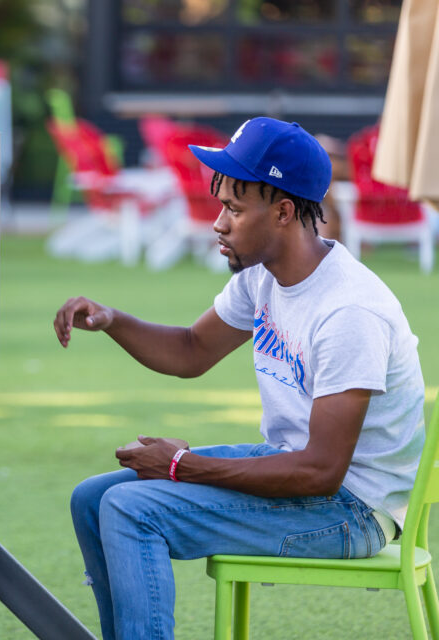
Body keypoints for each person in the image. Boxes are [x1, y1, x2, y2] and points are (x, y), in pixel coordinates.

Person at [55, 118, 424, 640]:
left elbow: (321, 472)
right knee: (91, 499)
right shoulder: (262, 275)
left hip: (353, 509)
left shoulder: (349, 313)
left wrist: (182, 466)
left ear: (283, 212)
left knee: (131, 510)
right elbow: (191, 350)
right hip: (297, 469)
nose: (218, 224)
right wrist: (113, 320)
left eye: (233, 208)